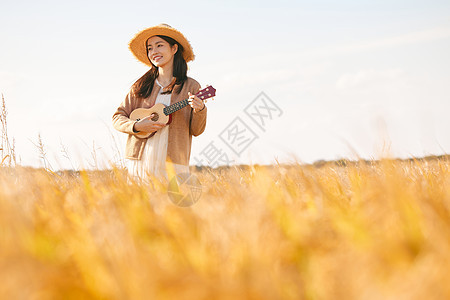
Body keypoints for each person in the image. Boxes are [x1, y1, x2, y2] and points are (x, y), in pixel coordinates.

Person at [112, 24, 207, 183]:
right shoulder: (140, 87)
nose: (154, 51)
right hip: (140, 161)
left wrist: (200, 109)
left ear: (174, 48)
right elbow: (117, 117)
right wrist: (136, 126)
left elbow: (196, 130)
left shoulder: (191, 87)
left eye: (159, 45)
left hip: (174, 163)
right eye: (150, 48)